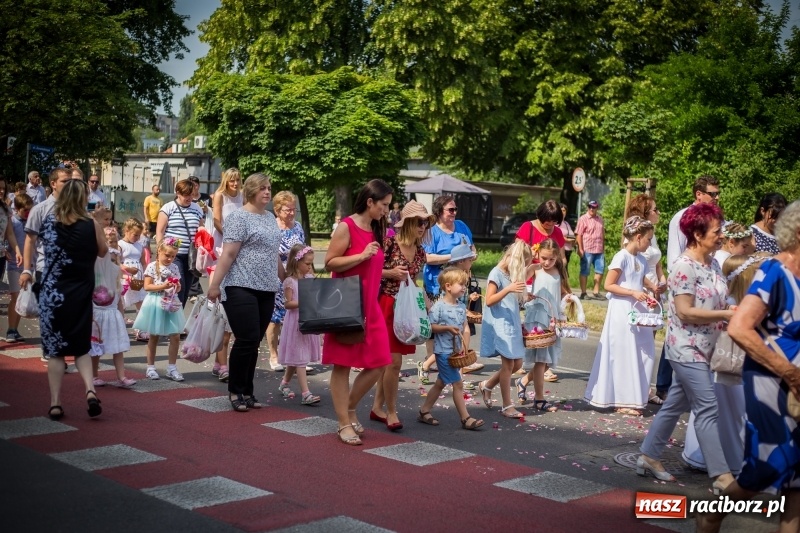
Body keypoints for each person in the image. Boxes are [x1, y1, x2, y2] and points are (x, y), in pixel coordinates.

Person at [699, 201, 800, 533]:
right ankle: (712, 514)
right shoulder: (775, 272)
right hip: (771, 384)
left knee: (796, 479)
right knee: (769, 468)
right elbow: (740, 327)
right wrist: (788, 372)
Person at [637, 203, 737, 494]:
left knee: (675, 405)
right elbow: (684, 311)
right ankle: (722, 476)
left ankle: (648, 455)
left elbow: (717, 299)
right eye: (717, 231)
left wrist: (732, 308)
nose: (721, 236)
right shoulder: (683, 266)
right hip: (686, 348)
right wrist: (725, 315)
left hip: (708, 348)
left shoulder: (713, 263)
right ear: (697, 233)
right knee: (708, 407)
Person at [20, 179, 108, 420]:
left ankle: (56, 403)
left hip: (53, 292)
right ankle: (90, 390)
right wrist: (97, 222)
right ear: (82, 200)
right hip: (80, 292)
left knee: (56, 351)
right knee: (81, 347)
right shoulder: (91, 225)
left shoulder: (49, 223)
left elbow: (37, 245)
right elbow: (103, 251)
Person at [682, 253, 768, 473]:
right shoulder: (732, 306)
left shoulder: (737, 303)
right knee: (733, 414)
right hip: (730, 367)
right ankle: (734, 460)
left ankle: (719, 457)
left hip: (728, 366)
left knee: (727, 412)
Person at [323, 179, 393, 446]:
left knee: (380, 362)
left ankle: (349, 408)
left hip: (370, 306)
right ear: (370, 202)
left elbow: (374, 269)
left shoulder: (378, 229)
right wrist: (361, 256)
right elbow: (330, 261)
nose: (387, 210)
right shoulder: (347, 226)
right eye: (384, 205)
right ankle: (343, 422)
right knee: (342, 365)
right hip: (346, 304)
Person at [208, 173, 284, 413]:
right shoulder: (239, 218)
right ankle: (235, 390)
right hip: (240, 285)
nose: (267, 192)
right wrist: (214, 285)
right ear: (251, 190)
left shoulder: (270, 217)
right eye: (262, 188)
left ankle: (248, 392)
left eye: (269, 188)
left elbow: (273, 252)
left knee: (254, 342)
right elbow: (228, 254)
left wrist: (286, 275)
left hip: (267, 287)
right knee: (247, 338)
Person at [584, 217, 658, 416]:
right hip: (622, 309)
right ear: (638, 236)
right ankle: (621, 400)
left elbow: (638, 279)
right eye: (648, 239)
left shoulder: (641, 259)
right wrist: (633, 293)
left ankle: (636, 396)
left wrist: (651, 290)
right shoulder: (621, 256)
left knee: (643, 352)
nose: (650, 243)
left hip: (637, 309)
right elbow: (609, 285)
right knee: (624, 354)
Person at [657, 175, 722, 401]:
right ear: (699, 194)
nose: (716, 197)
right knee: (677, 334)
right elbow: (675, 254)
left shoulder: (714, 219)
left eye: (717, 193)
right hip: (685, 281)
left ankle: (673, 390)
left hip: (704, 280)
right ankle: (662, 384)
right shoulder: (681, 218)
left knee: (674, 406)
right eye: (712, 193)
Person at [373, 200, 432, 431]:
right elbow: (370, 270)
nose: (423, 227)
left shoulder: (420, 252)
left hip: (407, 308)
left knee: (389, 363)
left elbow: (414, 281)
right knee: (394, 362)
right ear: (407, 223)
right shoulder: (389, 243)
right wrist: (390, 272)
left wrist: (426, 305)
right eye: (419, 222)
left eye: (425, 223)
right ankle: (391, 411)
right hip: (387, 304)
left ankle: (378, 407)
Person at [418, 267, 484, 430]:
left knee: (440, 382)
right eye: (460, 284)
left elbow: (465, 327)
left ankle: (424, 410)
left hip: (455, 352)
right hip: (443, 352)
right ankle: (465, 418)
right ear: (448, 286)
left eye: (465, 284)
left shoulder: (461, 306)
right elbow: (431, 327)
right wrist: (447, 328)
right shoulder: (438, 307)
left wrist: (464, 346)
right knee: (458, 384)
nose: (464, 287)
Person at [421, 195, 479, 376]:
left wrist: (470, 255)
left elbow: (472, 248)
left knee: (459, 323)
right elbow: (427, 257)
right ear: (439, 212)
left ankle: (456, 359)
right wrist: (453, 257)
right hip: (437, 284)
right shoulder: (432, 232)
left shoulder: (461, 226)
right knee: (438, 323)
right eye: (450, 210)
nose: (454, 213)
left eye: (455, 209)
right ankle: (432, 360)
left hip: (459, 282)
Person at [478, 240, 536, 419]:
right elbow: (489, 300)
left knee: (516, 364)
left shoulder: (511, 274)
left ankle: (486, 385)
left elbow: (512, 300)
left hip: (511, 322)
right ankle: (507, 405)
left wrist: (524, 299)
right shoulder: (496, 273)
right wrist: (509, 289)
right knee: (508, 364)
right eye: (522, 264)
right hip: (500, 323)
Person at [517, 238, 571, 412]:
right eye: (543, 258)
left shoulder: (558, 271)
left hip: (552, 318)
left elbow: (561, 291)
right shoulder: (536, 269)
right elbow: (519, 281)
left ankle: (523, 381)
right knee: (541, 361)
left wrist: (567, 298)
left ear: (557, 258)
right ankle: (539, 399)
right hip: (538, 318)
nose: (546, 262)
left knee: (547, 362)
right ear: (538, 254)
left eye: (551, 259)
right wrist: (531, 264)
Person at [133, 237, 185, 381]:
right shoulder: (151, 266)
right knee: (154, 335)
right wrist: (163, 286)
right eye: (167, 255)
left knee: (175, 335)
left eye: (173, 256)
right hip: (155, 302)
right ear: (159, 251)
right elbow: (147, 286)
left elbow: (178, 285)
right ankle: (150, 367)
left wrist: (177, 286)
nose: (170, 259)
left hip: (170, 301)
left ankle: (172, 367)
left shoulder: (174, 268)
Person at [209, 168, 243, 382]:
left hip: (240, 247)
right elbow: (216, 220)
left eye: (238, 180)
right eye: (232, 180)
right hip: (225, 245)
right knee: (222, 310)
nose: (235, 183)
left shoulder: (243, 196)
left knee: (232, 310)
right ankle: (221, 363)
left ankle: (219, 362)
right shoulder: (219, 196)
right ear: (226, 181)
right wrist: (230, 236)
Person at [90, 228, 136, 389]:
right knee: (95, 347)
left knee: (118, 347)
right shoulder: (97, 267)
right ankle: (94, 375)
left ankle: (121, 376)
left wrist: (121, 316)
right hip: (97, 313)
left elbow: (119, 299)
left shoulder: (117, 272)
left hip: (112, 313)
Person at [266, 191, 306, 372]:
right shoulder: (271, 227)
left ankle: (295, 358)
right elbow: (270, 254)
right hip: (275, 276)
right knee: (275, 318)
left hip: (295, 277)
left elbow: (303, 253)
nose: (291, 213)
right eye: (287, 210)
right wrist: (283, 276)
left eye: (294, 209)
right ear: (277, 210)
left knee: (294, 316)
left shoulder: (297, 227)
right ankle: (274, 355)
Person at [277, 244, 322, 405]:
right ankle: (305, 393)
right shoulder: (290, 281)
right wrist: (304, 301)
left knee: (296, 357)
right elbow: (287, 304)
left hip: (308, 320)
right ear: (296, 262)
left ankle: (284, 384)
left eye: (311, 263)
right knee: (301, 359)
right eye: (307, 263)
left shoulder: (309, 279)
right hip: (295, 322)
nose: (310, 267)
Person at [156, 178, 204, 307]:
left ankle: (177, 318)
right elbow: (160, 231)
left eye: (191, 194)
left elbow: (201, 230)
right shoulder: (168, 208)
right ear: (177, 193)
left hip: (191, 256)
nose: (188, 198)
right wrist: (160, 251)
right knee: (179, 287)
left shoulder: (197, 209)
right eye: (185, 195)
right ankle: (172, 317)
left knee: (186, 288)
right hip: (173, 254)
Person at [5, 193, 32, 342]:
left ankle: (15, 329)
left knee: (22, 299)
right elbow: (7, 237)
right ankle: (11, 329)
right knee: (15, 297)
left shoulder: (31, 222)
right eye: (25, 211)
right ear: (17, 209)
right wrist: (7, 250)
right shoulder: (13, 221)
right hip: (14, 265)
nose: (28, 213)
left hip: (27, 266)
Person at [119, 218, 147, 338]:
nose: (137, 238)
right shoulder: (120, 245)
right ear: (126, 230)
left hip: (137, 277)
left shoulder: (139, 246)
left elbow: (142, 262)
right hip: (125, 277)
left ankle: (140, 329)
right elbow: (116, 262)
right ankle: (120, 330)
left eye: (139, 235)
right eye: (135, 235)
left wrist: (145, 274)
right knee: (122, 304)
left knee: (141, 302)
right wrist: (127, 269)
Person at [576, 199, 605, 299]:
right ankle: (583, 293)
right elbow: (579, 235)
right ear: (588, 207)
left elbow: (602, 234)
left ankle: (596, 291)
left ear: (597, 208)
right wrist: (580, 248)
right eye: (590, 207)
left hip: (599, 249)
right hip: (587, 249)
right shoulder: (583, 219)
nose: (592, 209)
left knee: (600, 270)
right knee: (585, 270)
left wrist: (603, 247)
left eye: (594, 207)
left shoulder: (600, 219)